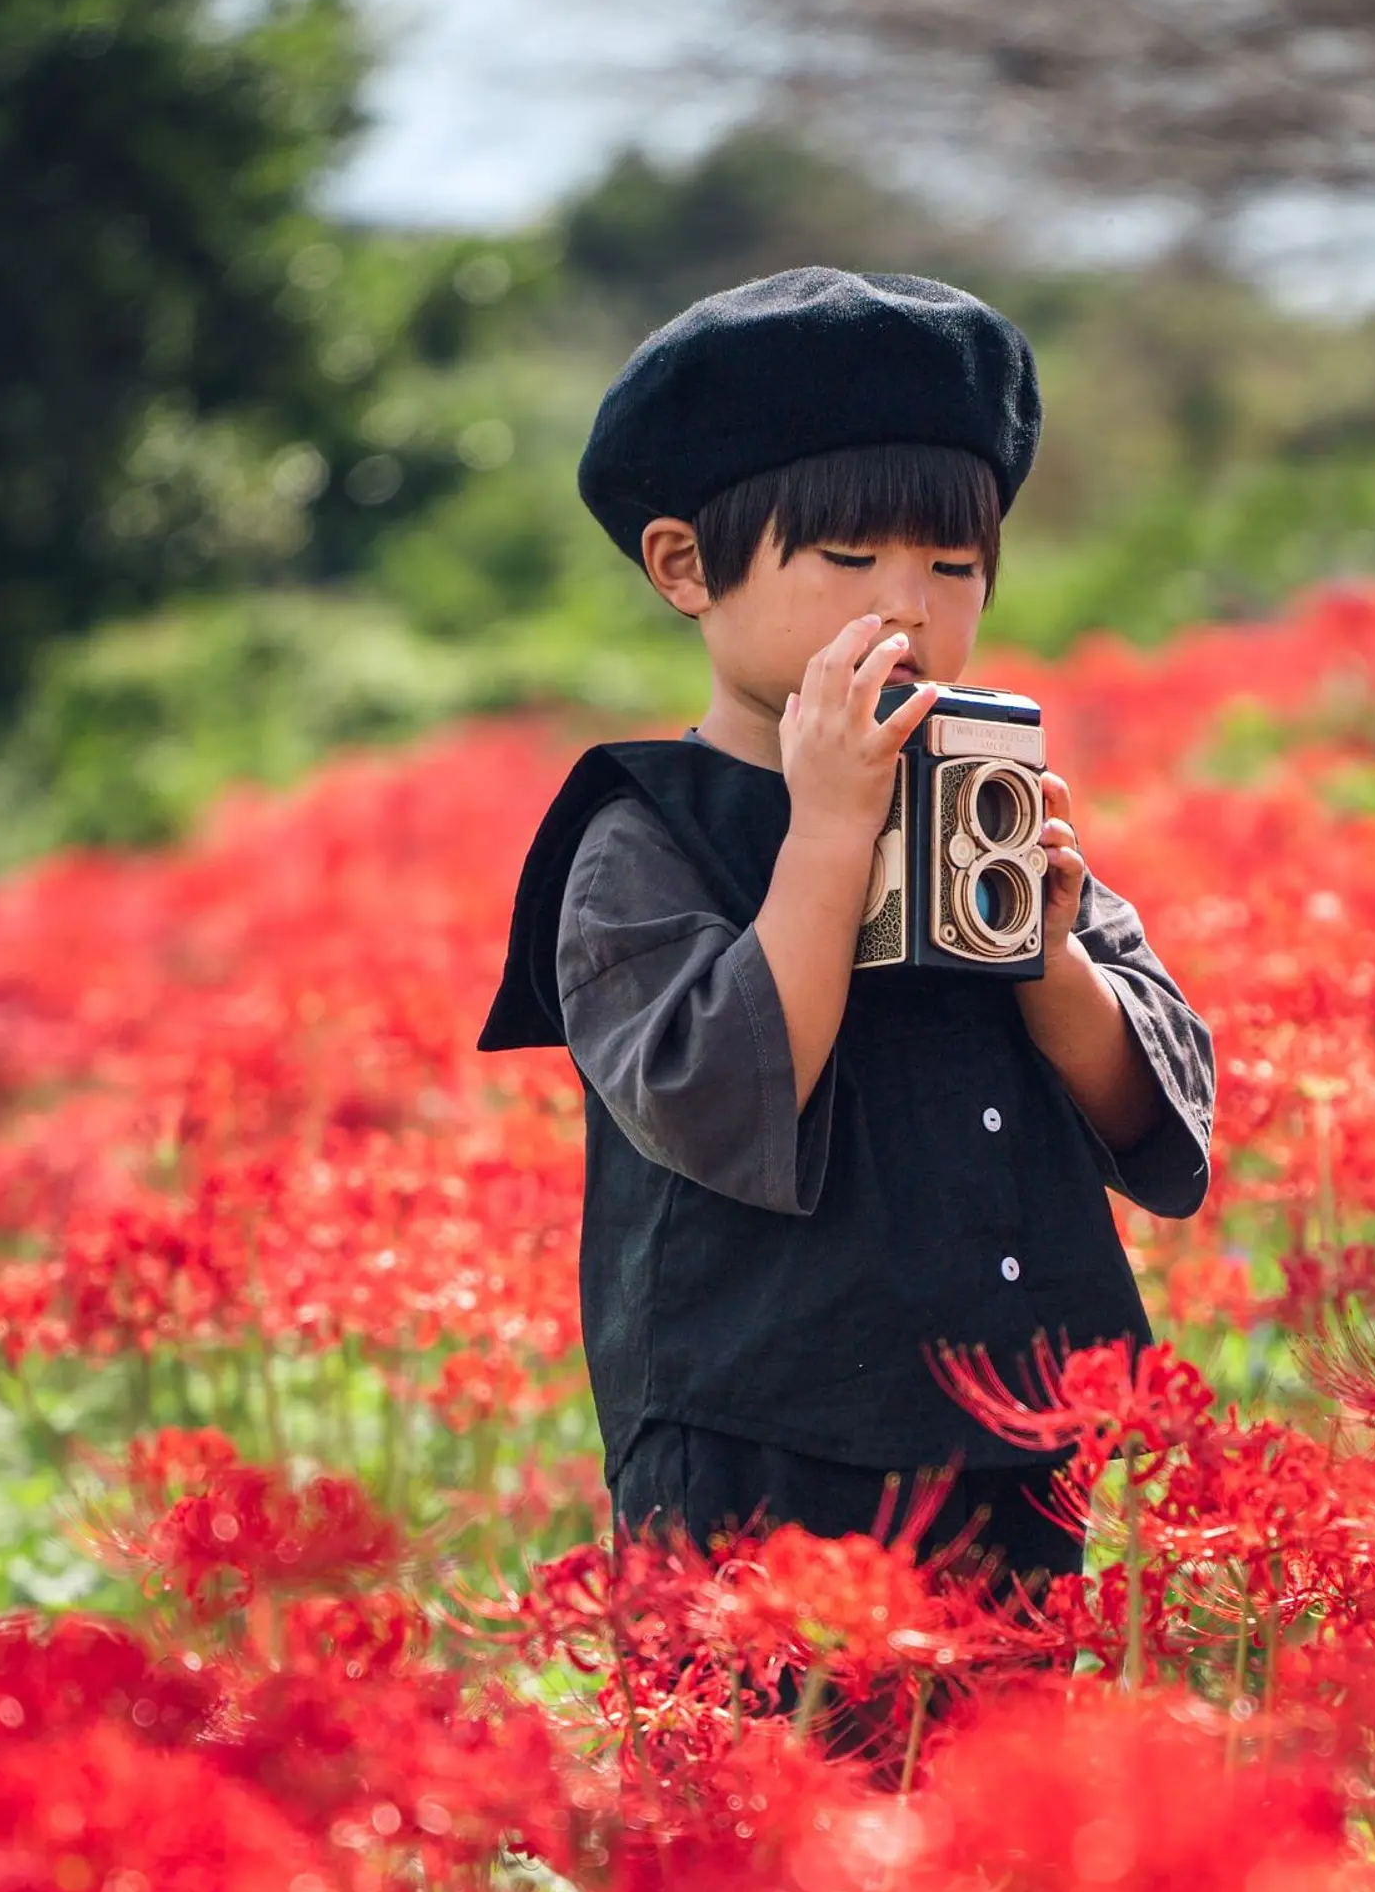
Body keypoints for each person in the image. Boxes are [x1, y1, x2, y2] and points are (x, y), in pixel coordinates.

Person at [480, 267, 1214, 1585]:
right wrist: (827, 834)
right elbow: (713, 1098)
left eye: (953, 563)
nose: (909, 607)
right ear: (684, 566)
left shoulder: (979, 793)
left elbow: (1142, 1102)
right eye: (846, 558)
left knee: (1011, 1781)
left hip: (1023, 1426)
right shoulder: (642, 836)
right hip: (761, 1446)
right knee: (771, 1786)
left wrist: (1049, 951)